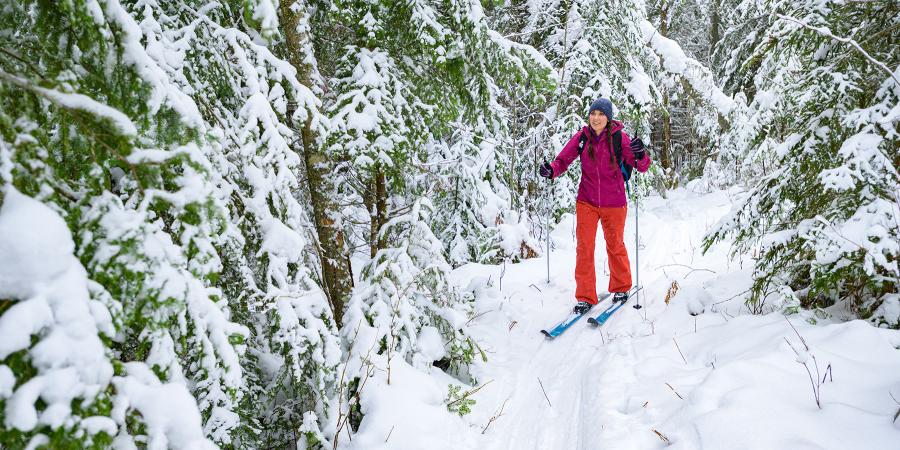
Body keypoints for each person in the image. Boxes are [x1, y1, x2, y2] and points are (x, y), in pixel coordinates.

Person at [539, 98, 652, 315]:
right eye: (593, 114)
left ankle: (621, 288)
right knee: (584, 248)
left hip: (614, 202)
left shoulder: (620, 137)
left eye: (601, 114)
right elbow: (563, 160)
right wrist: (551, 170)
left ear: (608, 118)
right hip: (587, 201)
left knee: (615, 245)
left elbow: (642, 166)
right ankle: (584, 297)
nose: (596, 118)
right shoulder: (583, 137)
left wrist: (640, 153)